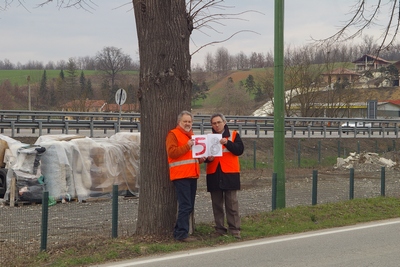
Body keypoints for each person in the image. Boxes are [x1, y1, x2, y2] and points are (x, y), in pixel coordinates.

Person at [166, 110, 205, 242]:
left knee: (189, 205)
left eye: (189, 121)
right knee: (185, 205)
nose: (188, 123)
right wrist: (187, 146)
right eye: (185, 121)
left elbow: (193, 156)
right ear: (179, 122)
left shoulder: (192, 135)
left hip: (192, 174)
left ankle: (181, 231)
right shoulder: (173, 134)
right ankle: (181, 234)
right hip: (181, 175)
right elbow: (172, 152)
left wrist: (202, 158)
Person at [206, 113, 244, 239]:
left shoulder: (233, 135)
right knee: (216, 204)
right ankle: (220, 229)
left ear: (224, 122)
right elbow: (204, 156)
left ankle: (235, 230)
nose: (216, 125)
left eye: (218, 122)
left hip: (230, 174)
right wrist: (208, 159)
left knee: (232, 203)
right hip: (214, 174)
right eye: (214, 123)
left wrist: (227, 143)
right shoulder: (208, 138)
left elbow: (239, 150)